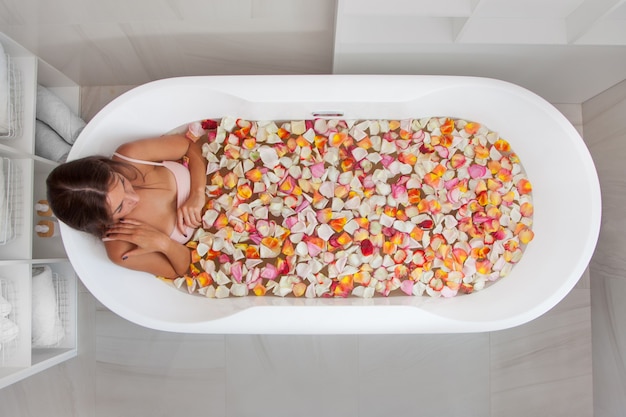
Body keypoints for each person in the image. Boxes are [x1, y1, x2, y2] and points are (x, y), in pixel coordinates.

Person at [46, 132, 207, 279]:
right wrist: (163, 243)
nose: (134, 198)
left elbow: (190, 146)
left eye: (122, 182)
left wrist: (198, 193)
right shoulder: (120, 249)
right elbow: (183, 272)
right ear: (102, 222)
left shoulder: (130, 156)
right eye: (119, 207)